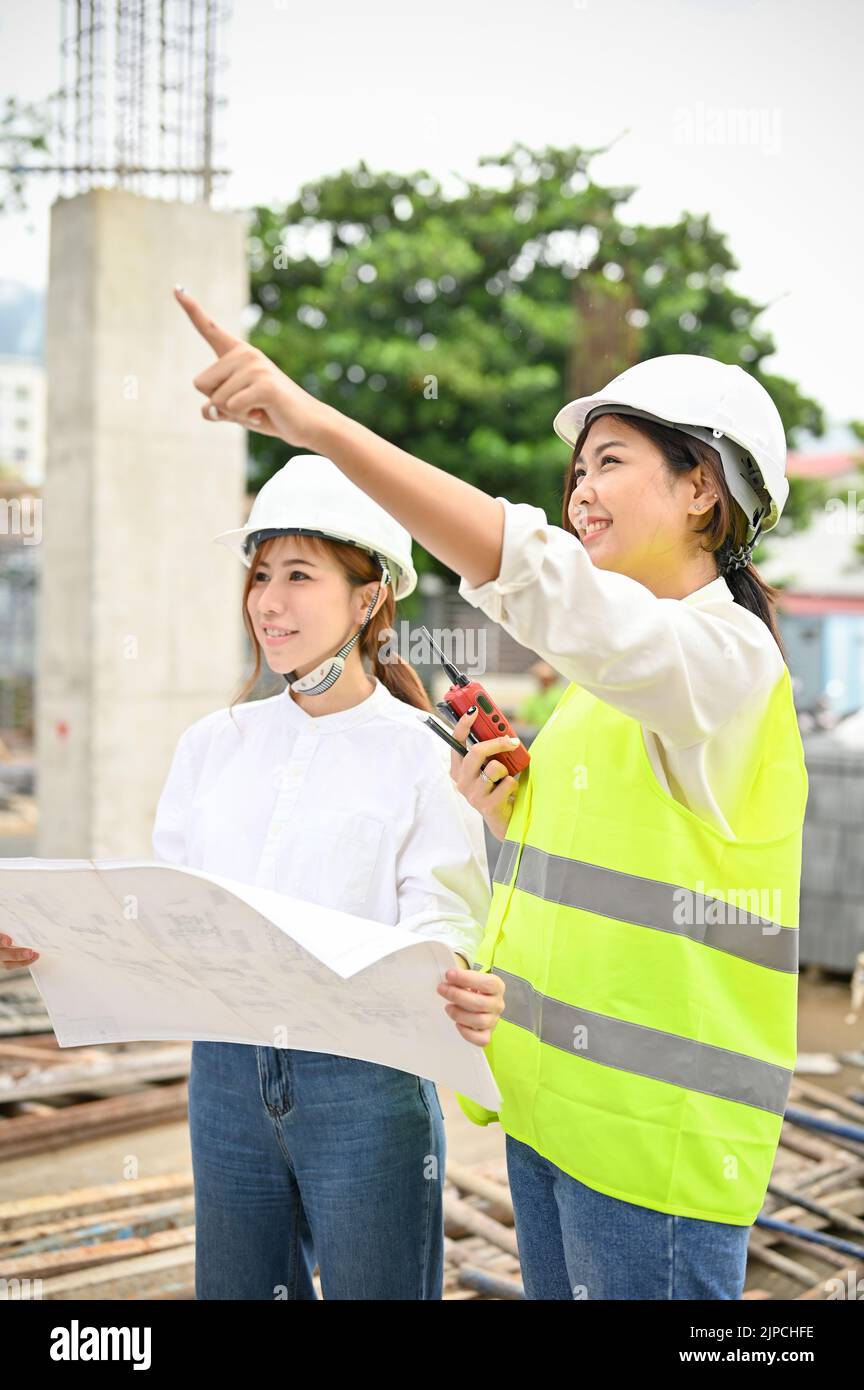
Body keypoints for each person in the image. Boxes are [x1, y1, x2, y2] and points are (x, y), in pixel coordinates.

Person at [173, 288, 808, 1301]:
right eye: (577, 470)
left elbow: (538, 576)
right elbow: (595, 884)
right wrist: (513, 820)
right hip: (555, 1120)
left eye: (610, 462)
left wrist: (320, 426)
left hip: (660, 1152)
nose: (580, 491)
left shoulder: (724, 661)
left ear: (703, 488)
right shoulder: (604, 697)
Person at [149, 452, 502, 1300]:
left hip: (366, 1078)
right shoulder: (212, 746)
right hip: (227, 1074)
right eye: (261, 574)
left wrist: (445, 971)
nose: (268, 602)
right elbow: (163, 911)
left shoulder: (425, 751)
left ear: (369, 595)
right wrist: (53, 948)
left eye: (299, 575)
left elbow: (443, 921)